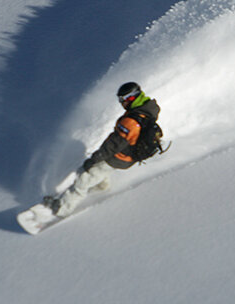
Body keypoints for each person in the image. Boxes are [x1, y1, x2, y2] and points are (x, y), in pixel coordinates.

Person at [43, 82, 161, 218]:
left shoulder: (130, 121)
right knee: (101, 170)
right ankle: (102, 186)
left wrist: (94, 159)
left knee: (84, 178)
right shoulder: (147, 111)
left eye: (122, 100)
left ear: (131, 98)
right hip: (130, 155)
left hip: (119, 156)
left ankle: (62, 208)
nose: (121, 103)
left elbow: (112, 146)